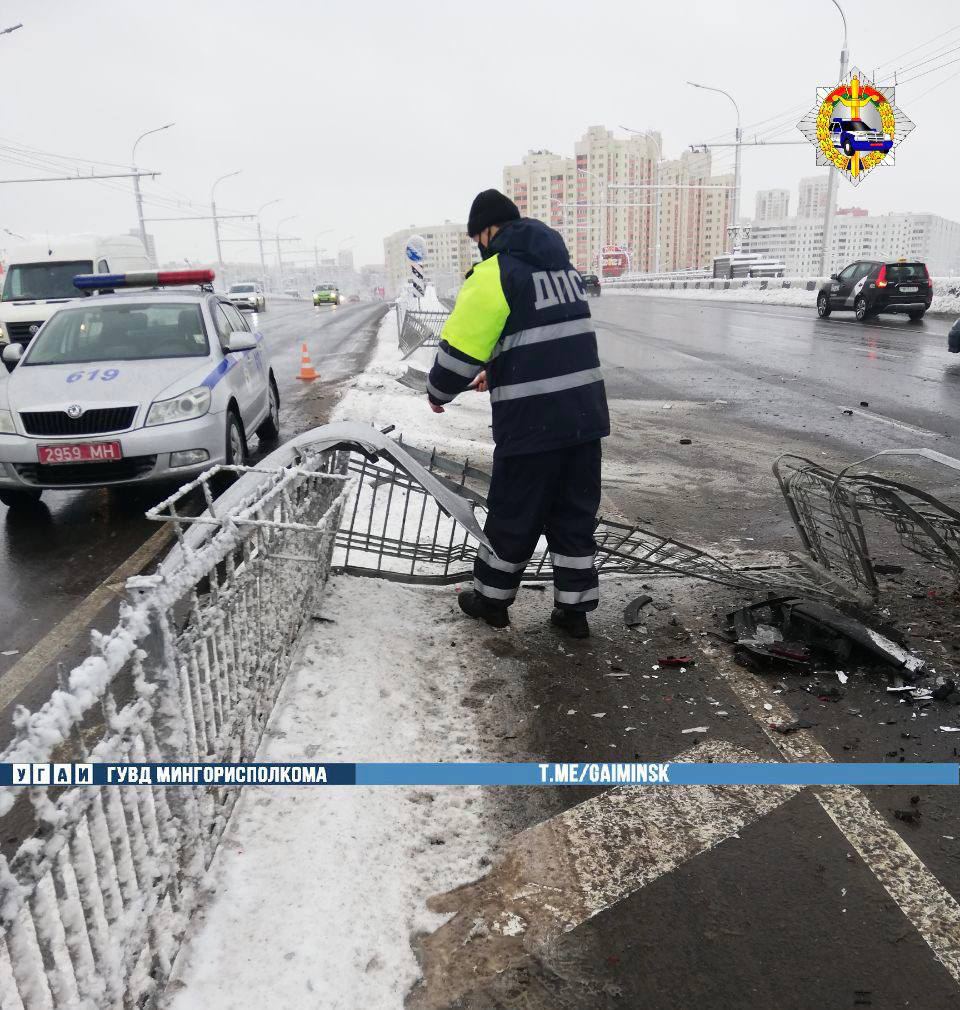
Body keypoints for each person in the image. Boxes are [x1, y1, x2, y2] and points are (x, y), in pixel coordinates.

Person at [426, 189, 609, 638]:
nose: (479, 247)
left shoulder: (494, 274)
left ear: (488, 231)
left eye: (477, 238)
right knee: (573, 515)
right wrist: (501, 367)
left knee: (514, 513)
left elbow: (459, 352)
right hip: (584, 417)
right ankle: (574, 611)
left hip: (532, 423)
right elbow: (544, 338)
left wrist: (438, 390)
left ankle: (491, 600)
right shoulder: (563, 270)